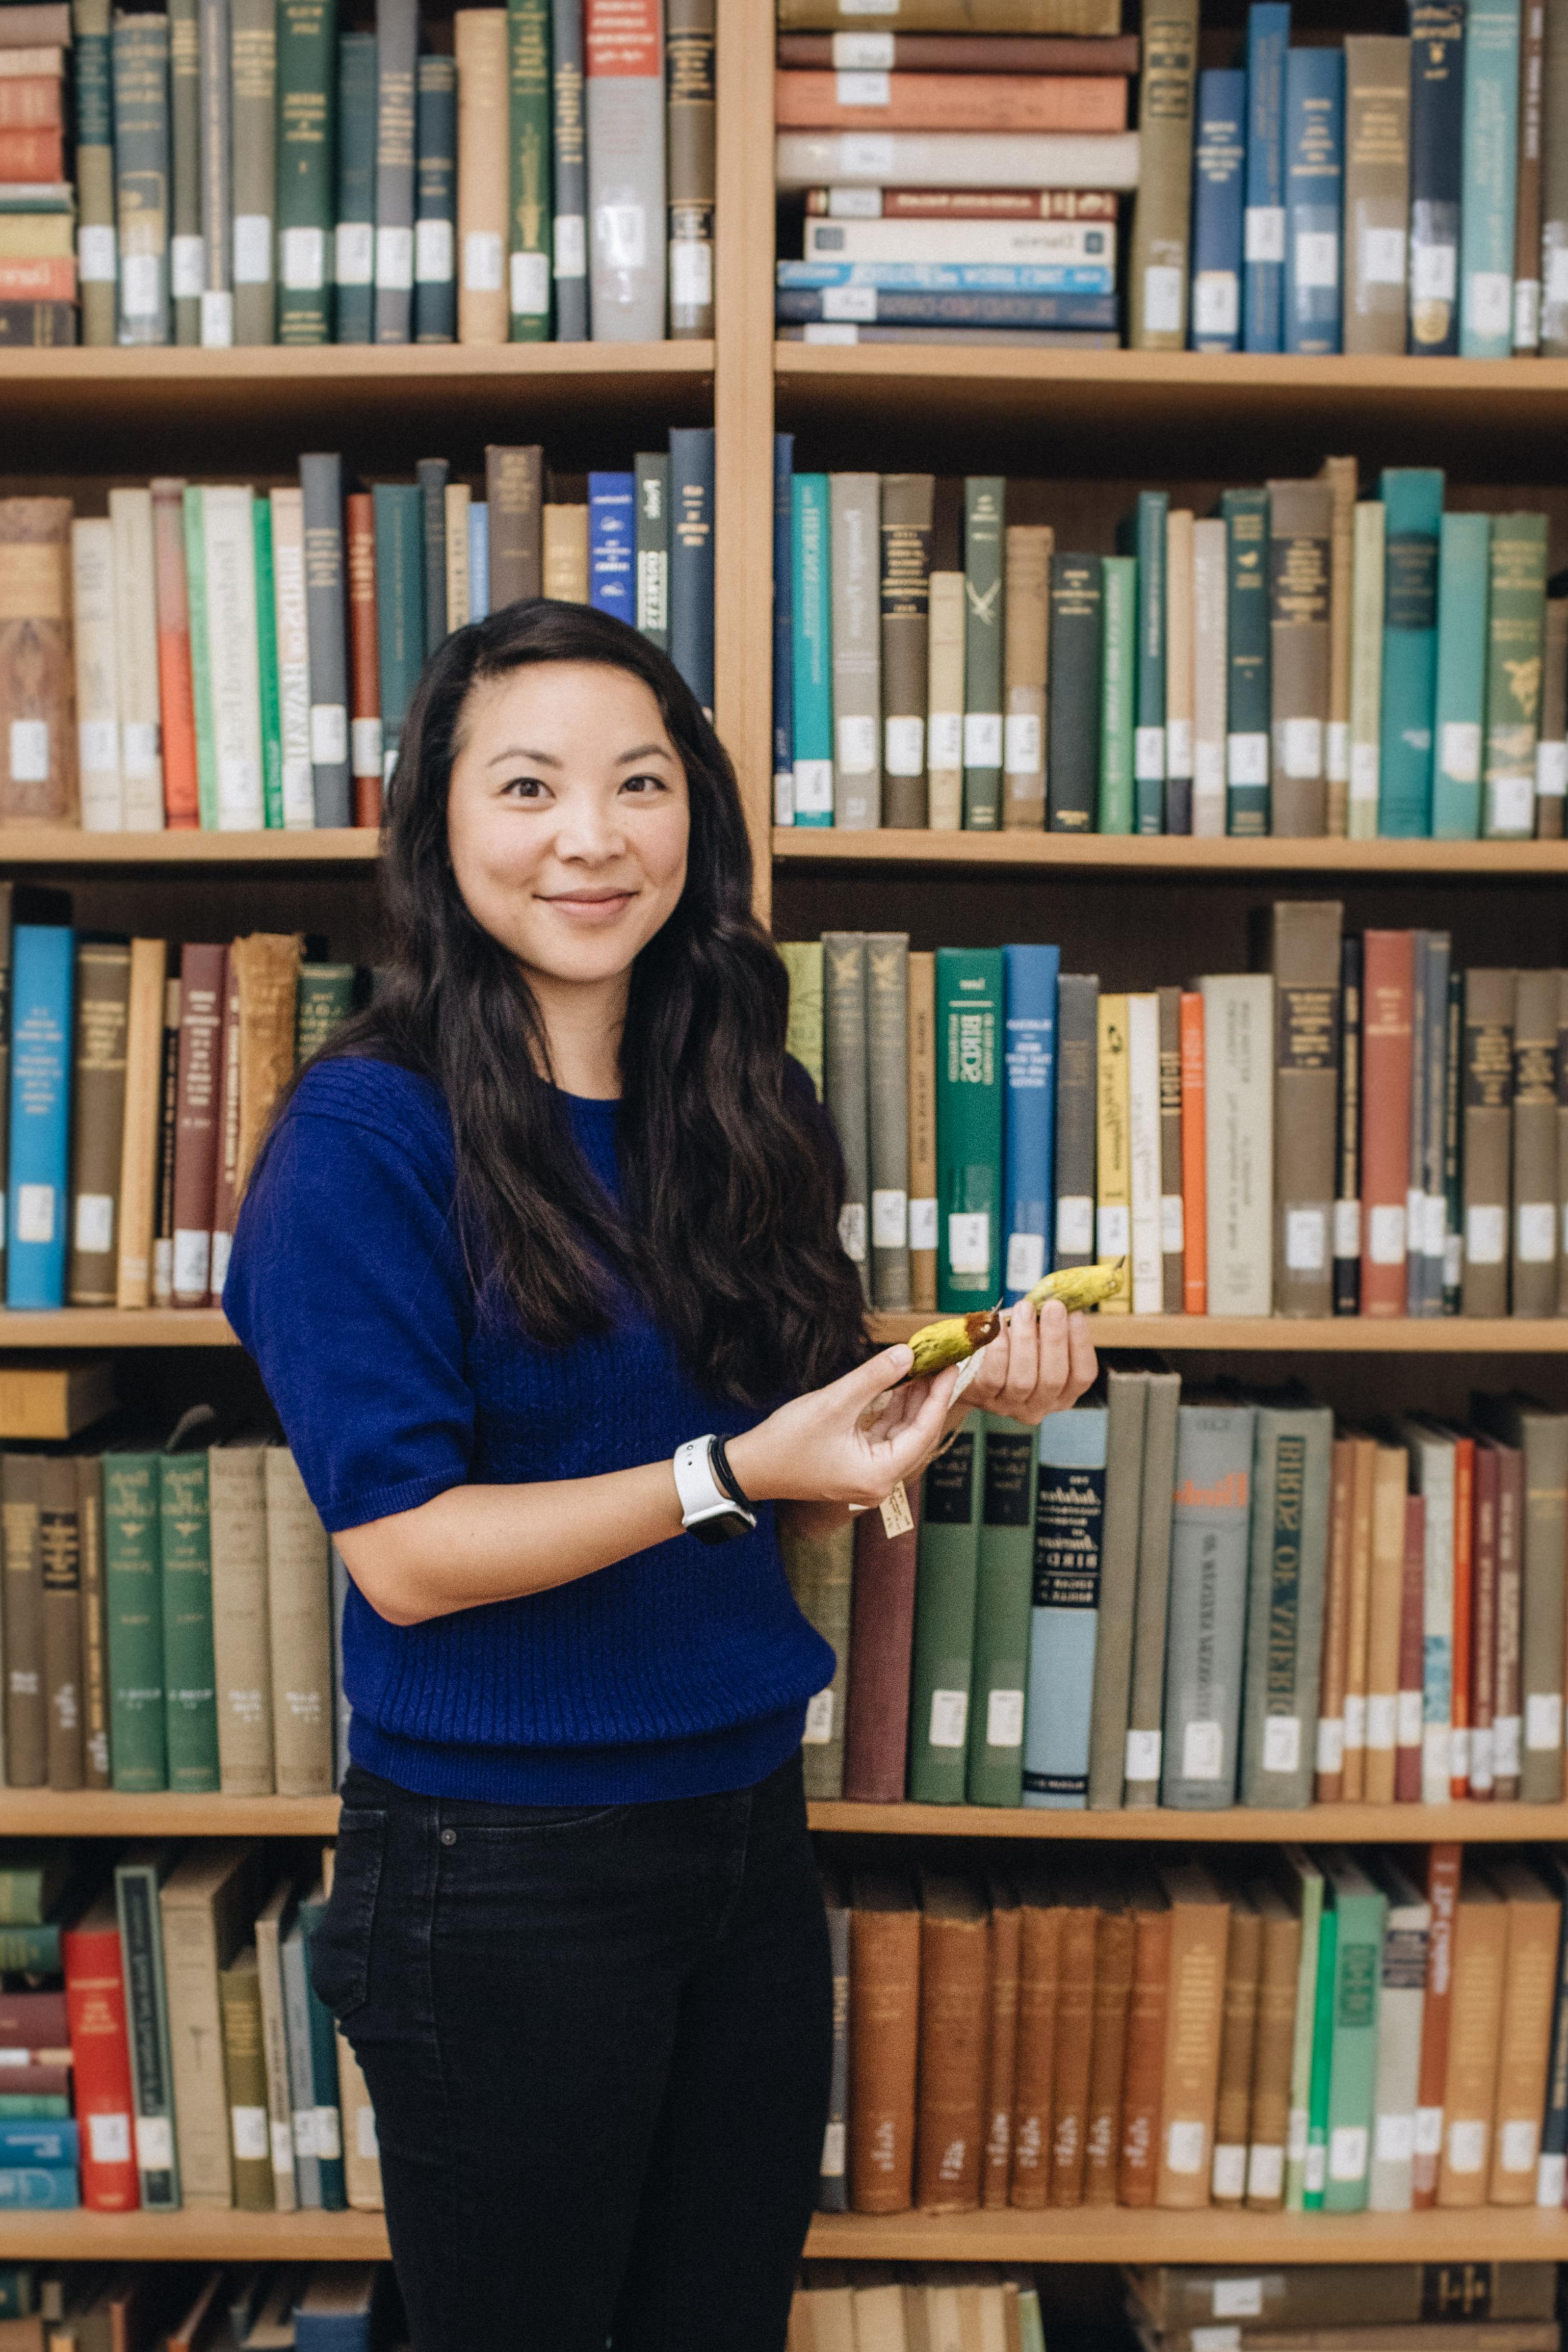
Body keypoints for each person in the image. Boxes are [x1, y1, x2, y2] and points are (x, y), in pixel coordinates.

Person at [224, 598, 1096, 2352]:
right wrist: (726, 1473)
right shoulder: (363, 1141)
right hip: (498, 1872)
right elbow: (403, 1549)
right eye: (528, 785)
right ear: (439, 822)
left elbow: (792, 1403)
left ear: (692, 811)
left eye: (638, 782)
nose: (589, 837)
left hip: (739, 1837)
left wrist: (970, 1377)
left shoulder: (736, 1090)